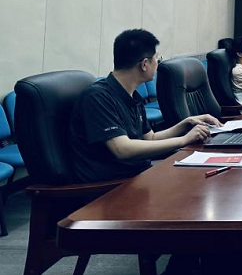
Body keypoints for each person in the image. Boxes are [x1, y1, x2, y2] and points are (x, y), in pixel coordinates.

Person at [69, 29, 221, 183]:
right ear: (144, 64)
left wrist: (185, 123)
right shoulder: (98, 97)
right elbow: (122, 149)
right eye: (157, 58)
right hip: (114, 185)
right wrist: (184, 140)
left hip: (138, 175)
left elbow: (150, 138)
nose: (158, 63)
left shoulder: (132, 95)